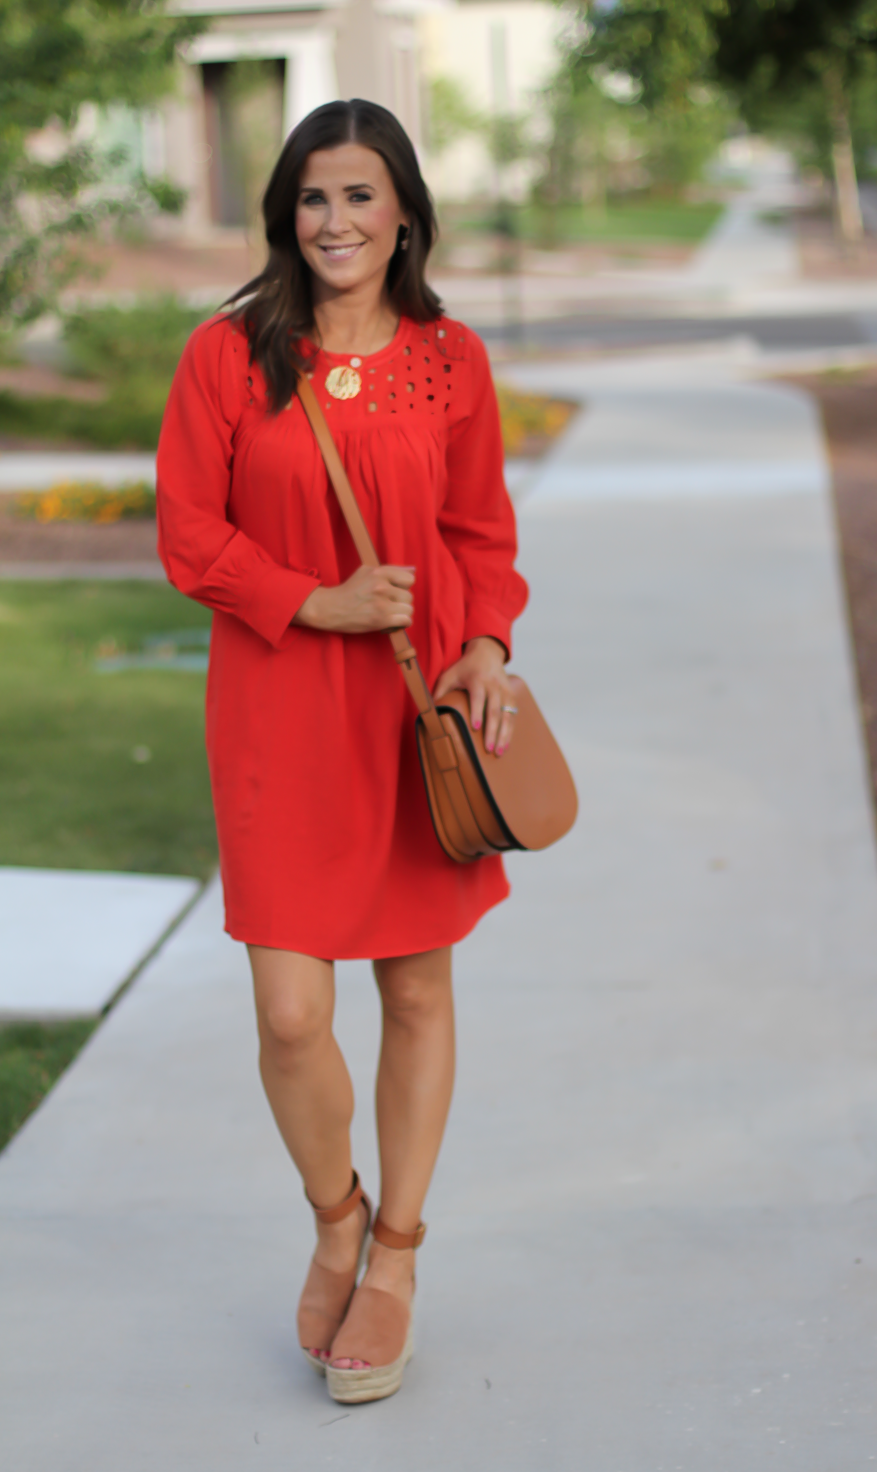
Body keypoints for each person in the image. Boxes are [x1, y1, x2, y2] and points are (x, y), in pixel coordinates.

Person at [155, 98, 527, 1404]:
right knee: (292, 1010)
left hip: (408, 722)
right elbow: (189, 535)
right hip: (273, 717)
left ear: (405, 211)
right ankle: (336, 1215)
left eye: (360, 196)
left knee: (416, 992)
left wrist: (482, 649)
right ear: (285, 213)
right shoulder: (229, 356)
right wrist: (312, 600)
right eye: (314, 198)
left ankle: (400, 1253)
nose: (336, 222)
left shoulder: (449, 360)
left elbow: (481, 535)